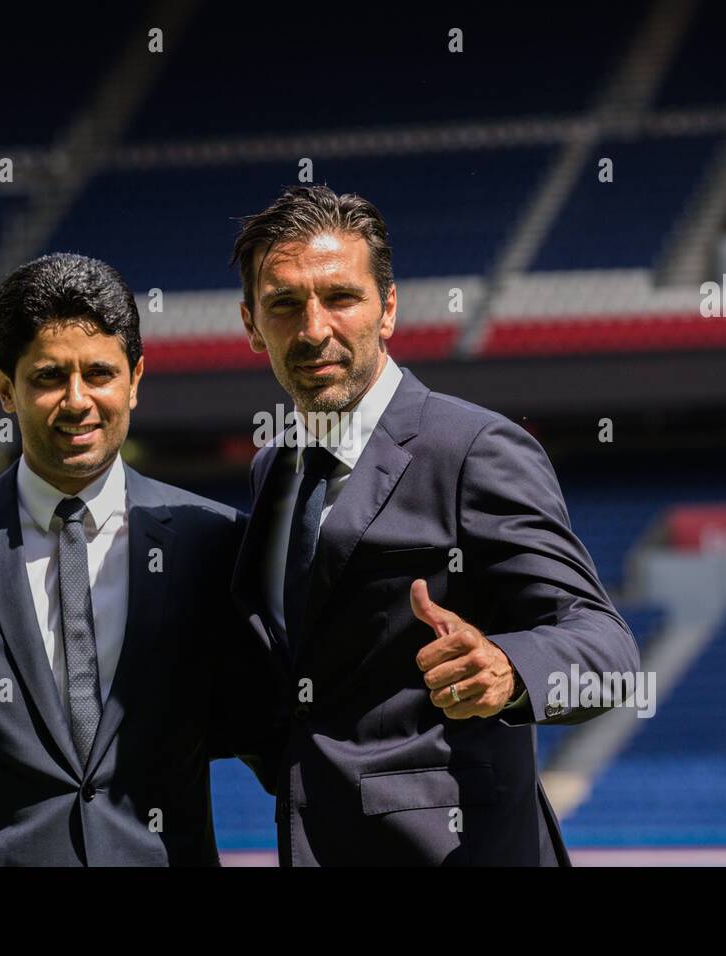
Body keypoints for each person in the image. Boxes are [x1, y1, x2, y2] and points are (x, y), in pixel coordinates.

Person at [229, 185, 640, 865]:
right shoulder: (274, 467)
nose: (312, 329)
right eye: (284, 305)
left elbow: (610, 655)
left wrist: (508, 668)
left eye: (340, 298)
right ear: (251, 324)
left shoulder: (474, 447)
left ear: (388, 308)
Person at [0, 253, 273, 865]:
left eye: (99, 373)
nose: (77, 401)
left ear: (136, 379)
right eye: (48, 377)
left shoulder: (213, 542)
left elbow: (277, 741)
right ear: (4, 387)